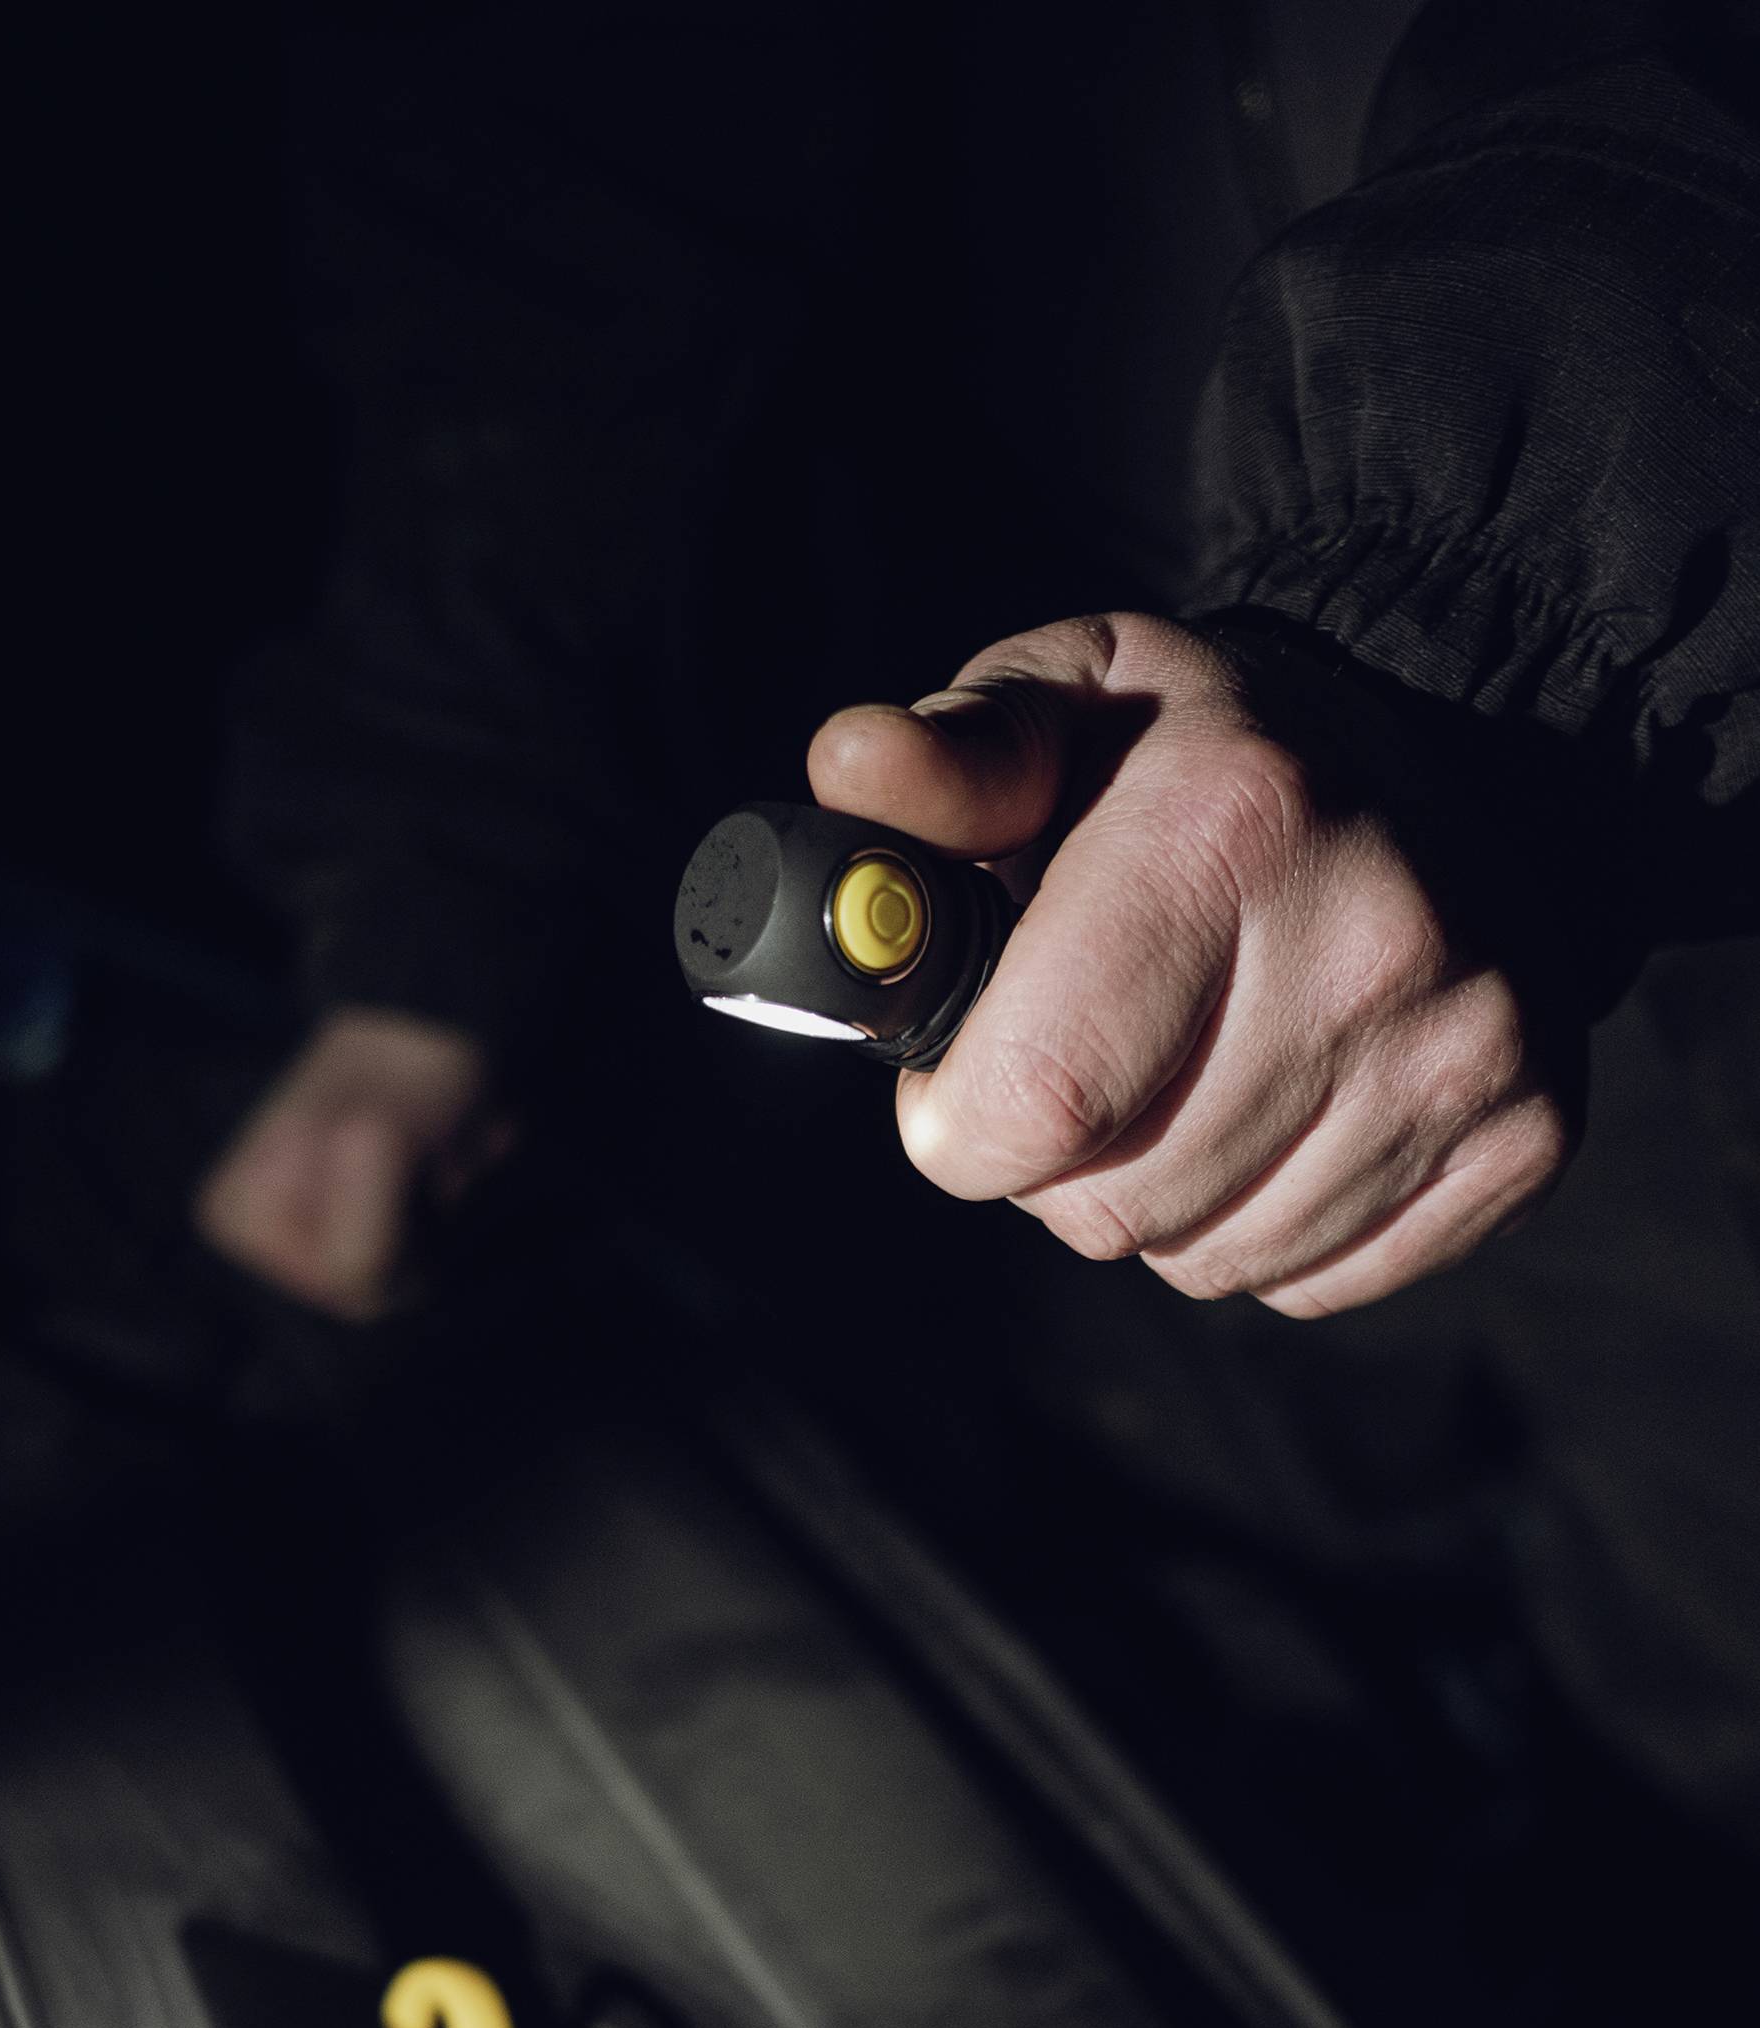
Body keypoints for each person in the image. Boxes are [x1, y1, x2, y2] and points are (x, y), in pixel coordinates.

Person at [193, 0, 1760, 1901]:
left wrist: (1464, 642)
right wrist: (437, 895)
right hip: (1130, 854)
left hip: (1666, 799)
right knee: (1236, 1701)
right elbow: (551, 175)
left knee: (1709, 1764)